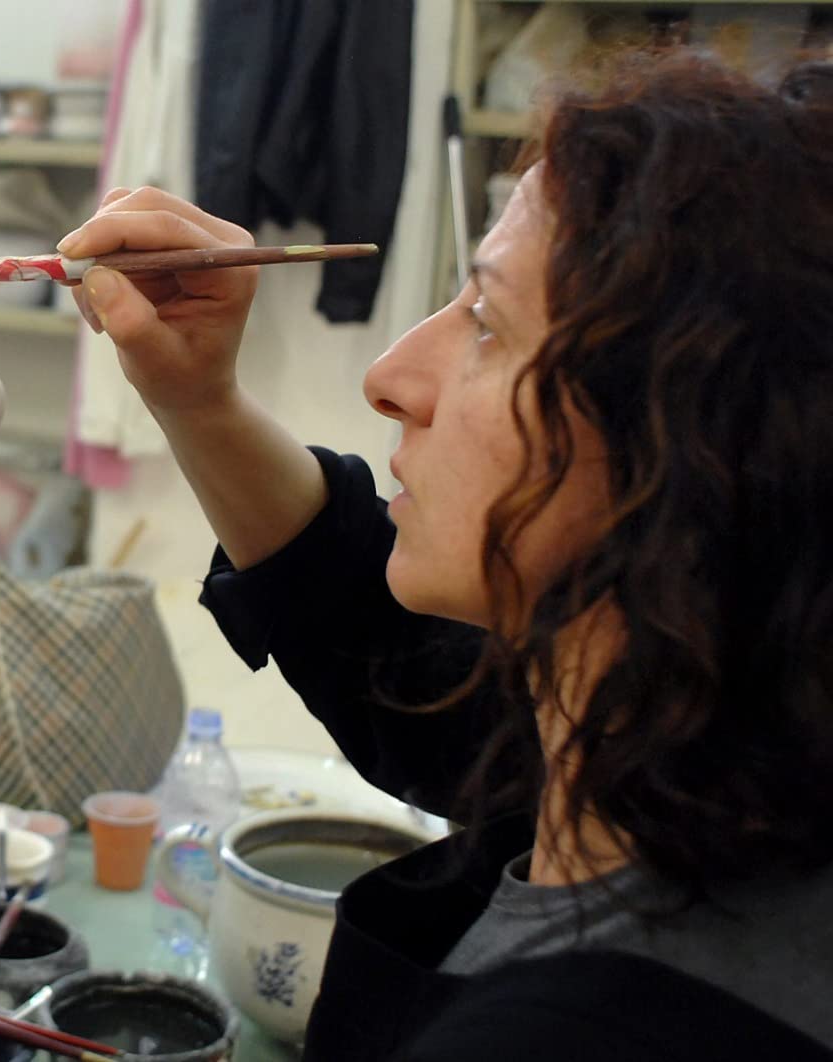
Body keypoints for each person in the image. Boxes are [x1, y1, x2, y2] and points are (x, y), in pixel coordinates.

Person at [61, 51, 833, 1061]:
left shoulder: (600, 1033)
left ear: (693, 451)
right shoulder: (687, 745)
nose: (390, 378)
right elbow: (410, 673)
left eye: (485, 323)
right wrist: (198, 402)